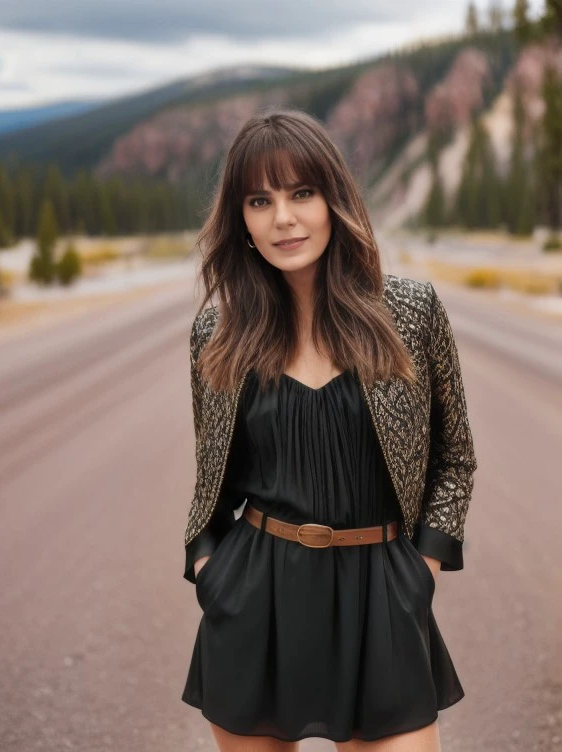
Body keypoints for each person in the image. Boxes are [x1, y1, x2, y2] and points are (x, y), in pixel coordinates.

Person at [181, 107, 478, 752]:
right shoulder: (219, 334)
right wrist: (210, 567)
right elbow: (212, 477)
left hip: (383, 594)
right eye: (260, 199)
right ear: (242, 221)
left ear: (333, 200)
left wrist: (421, 567)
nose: (283, 217)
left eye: (301, 192)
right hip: (255, 599)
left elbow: (455, 456)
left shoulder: (411, 312)